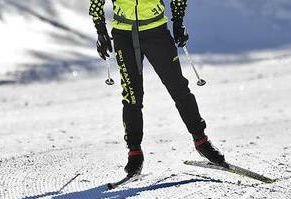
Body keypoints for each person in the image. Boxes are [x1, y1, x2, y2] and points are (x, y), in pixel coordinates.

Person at [89, 0, 225, 177]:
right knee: (132, 96)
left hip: (156, 32)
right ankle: (134, 154)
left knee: (178, 88)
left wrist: (178, 22)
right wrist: (100, 31)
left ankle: (201, 141)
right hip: (124, 35)